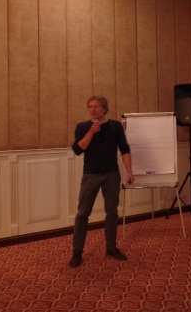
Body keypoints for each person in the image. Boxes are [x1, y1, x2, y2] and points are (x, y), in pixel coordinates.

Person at [69, 95, 135, 268]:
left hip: (111, 175)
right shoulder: (83, 127)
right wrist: (91, 132)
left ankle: (111, 248)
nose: (92, 109)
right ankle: (77, 252)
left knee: (112, 212)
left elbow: (125, 149)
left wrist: (129, 171)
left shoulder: (115, 126)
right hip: (90, 175)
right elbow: (78, 150)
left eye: (96, 106)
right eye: (90, 106)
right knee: (83, 214)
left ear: (104, 109)